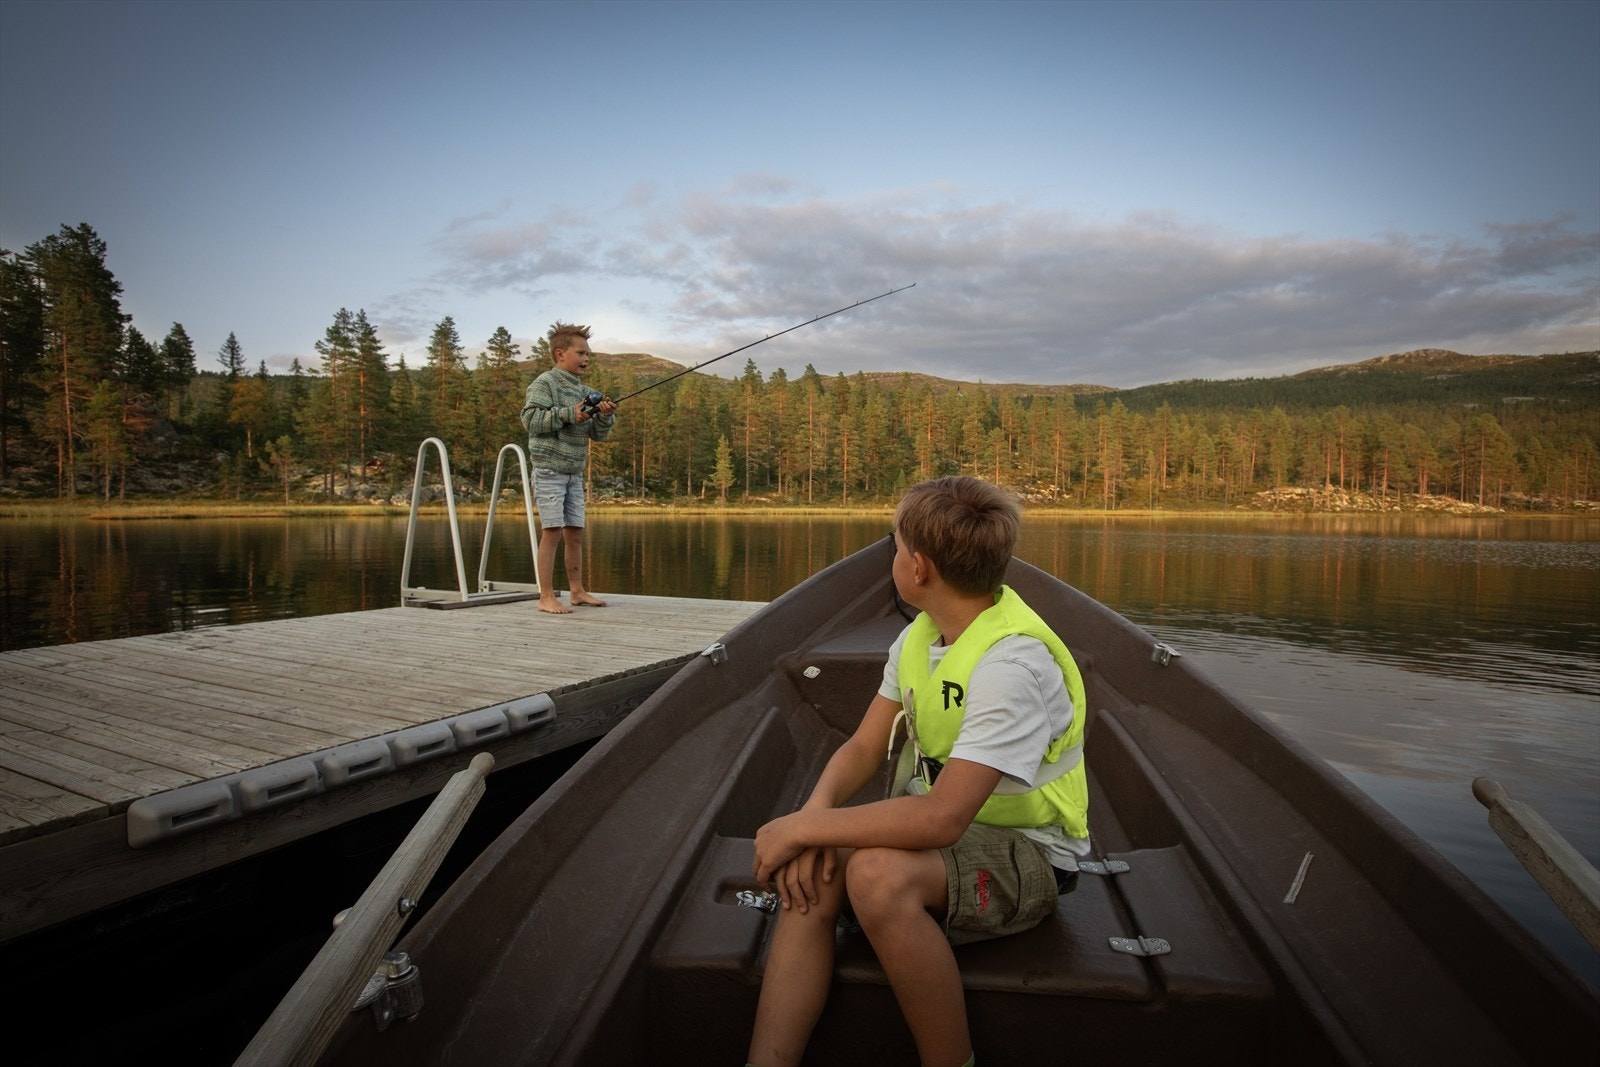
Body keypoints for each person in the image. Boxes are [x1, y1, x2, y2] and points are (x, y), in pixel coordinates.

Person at [748, 475, 1090, 1067]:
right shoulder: (920, 635)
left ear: (919, 567)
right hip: (947, 838)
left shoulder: (1010, 666)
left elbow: (942, 818)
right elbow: (860, 747)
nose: (894, 557)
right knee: (816, 869)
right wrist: (813, 817)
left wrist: (804, 829)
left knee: (876, 875)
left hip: (1029, 854)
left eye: (896, 546)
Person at [520, 322, 617, 614]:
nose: (587, 358)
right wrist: (568, 414)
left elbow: (598, 436)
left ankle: (577, 592)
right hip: (549, 469)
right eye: (581, 353)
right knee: (552, 532)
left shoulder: (588, 391)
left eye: (589, 354)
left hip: (574, 472)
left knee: (574, 532)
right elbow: (530, 419)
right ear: (560, 354)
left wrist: (604, 417)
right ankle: (546, 597)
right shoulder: (544, 384)